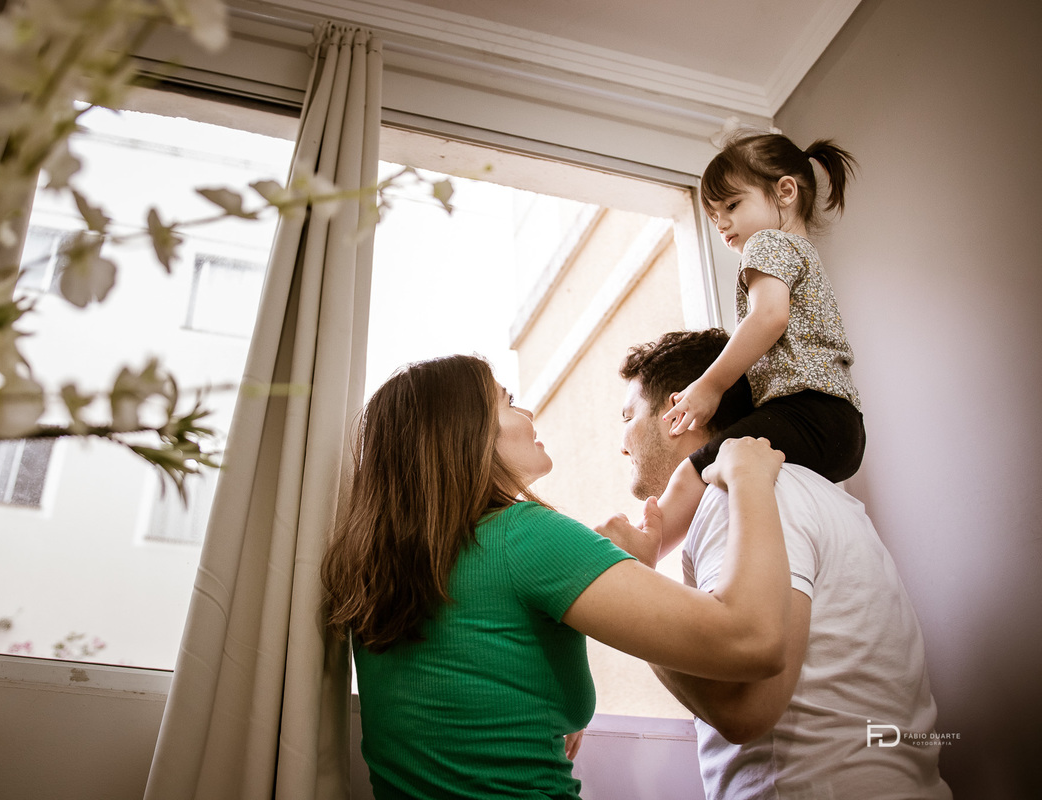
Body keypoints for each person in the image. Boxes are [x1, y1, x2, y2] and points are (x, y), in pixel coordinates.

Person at [321, 353, 790, 799]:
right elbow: (752, 641)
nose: (527, 412)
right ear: (461, 431)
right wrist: (748, 477)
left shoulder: (378, 574)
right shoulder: (523, 536)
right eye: (507, 402)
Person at [604, 329, 951, 800]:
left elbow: (745, 707)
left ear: (676, 413)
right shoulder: (805, 492)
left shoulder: (739, 496)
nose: (622, 443)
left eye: (628, 416)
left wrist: (630, 584)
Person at [654, 131, 867, 561]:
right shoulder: (803, 253)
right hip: (844, 428)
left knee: (694, 471)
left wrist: (710, 385)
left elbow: (769, 317)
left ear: (786, 191)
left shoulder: (767, 243)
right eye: (713, 215)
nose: (721, 224)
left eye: (732, 205)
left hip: (807, 412)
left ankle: (645, 548)